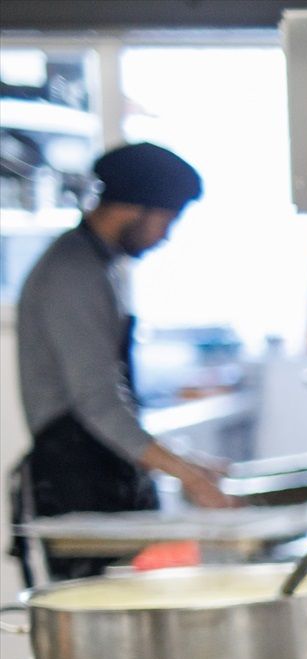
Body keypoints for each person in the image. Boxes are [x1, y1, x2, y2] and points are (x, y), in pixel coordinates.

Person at [8, 142, 235, 584]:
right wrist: (189, 477)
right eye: (167, 221)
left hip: (103, 475)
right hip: (77, 482)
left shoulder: (99, 267)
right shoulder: (71, 274)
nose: (166, 236)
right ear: (137, 209)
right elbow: (96, 402)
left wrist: (188, 460)